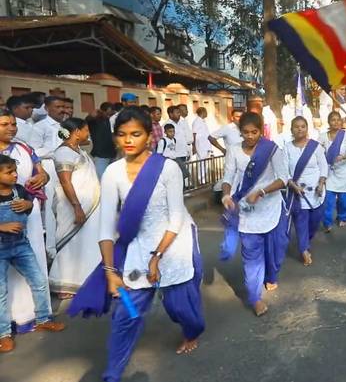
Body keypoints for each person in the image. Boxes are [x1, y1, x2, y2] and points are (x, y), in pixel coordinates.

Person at [68, 107, 205, 380]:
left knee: (180, 307)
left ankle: (191, 332)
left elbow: (176, 216)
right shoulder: (113, 173)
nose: (128, 140)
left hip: (173, 243)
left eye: (136, 134)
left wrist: (157, 256)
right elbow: (106, 224)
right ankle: (113, 373)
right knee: (126, 313)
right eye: (121, 134)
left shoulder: (167, 168)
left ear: (148, 137)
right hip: (138, 248)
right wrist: (109, 272)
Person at [220, 112, 289, 316]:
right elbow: (228, 176)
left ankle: (271, 274)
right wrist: (226, 195)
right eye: (245, 132)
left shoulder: (271, 150)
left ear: (261, 131)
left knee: (276, 248)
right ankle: (255, 297)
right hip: (247, 212)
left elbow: (283, 178)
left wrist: (261, 191)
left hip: (271, 207)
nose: (250, 136)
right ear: (240, 131)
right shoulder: (233, 150)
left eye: (254, 132)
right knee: (251, 256)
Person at [0, 154, 65, 353]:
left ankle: (43, 318)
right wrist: (2, 226)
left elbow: (30, 205)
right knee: (0, 292)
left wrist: (28, 205)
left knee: (38, 280)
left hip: (21, 246)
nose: (14, 175)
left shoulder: (19, 190)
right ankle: (3, 334)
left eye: (14, 171)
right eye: (8, 172)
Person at [49, 118, 102, 298]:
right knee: (69, 243)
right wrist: (77, 207)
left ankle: (83, 281)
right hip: (73, 206)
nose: (88, 134)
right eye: (86, 130)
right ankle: (63, 283)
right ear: (77, 131)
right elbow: (65, 182)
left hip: (89, 206)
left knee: (85, 243)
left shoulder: (78, 151)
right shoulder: (64, 153)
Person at [285, 117, 328, 266]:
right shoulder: (287, 148)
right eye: (296, 127)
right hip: (297, 192)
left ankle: (306, 241)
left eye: (303, 126)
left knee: (314, 221)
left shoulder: (315, 147)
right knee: (301, 222)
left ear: (307, 128)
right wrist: (292, 185)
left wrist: (321, 184)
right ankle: (304, 249)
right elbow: (284, 171)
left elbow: (323, 167)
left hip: (316, 192)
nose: (300, 129)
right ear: (291, 130)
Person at [30, 95, 66, 257]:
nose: (61, 110)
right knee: (51, 206)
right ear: (47, 108)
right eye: (57, 107)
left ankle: (63, 238)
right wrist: (53, 153)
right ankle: (50, 247)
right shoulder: (40, 127)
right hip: (49, 167)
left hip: (64, 167)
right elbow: (34, 151)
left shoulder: (63, 125)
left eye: (62, 107)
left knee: (64, 204)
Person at [319, 112, 346, 232]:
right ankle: (327, 222)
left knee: (344, 201)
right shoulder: (323, 136)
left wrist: (343, 157)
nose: (336, 122)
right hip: (330, 172)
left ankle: (343, 217)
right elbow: (317, 152)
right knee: (328, 201)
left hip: (344, 172)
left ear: (341, 121)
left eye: (338, 120)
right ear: (329, 122)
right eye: (333, 120)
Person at [87, 102, 116, 178]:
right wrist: (91, 115)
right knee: (101, 179)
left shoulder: (108, 120)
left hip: (112, 154)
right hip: (101, 155)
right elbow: (88, 120)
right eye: (109, 112)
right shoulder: (95, 121)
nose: (111, 114)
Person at [164, 106, 190, 181]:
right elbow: (167, 142)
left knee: (184, 175)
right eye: (177, 112)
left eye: (179, 112)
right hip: (175, 155)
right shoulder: (167, 125)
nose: (179, 114)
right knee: (178, 175)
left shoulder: (181, 123)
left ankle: (184, 189)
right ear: (170, 114)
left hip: (183, 152)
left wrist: (187, 151)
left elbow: (184, 138)